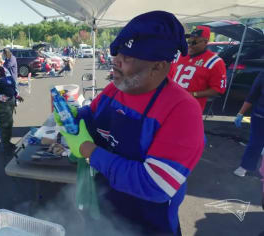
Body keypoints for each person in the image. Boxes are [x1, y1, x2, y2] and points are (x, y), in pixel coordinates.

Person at [57, 11, 204, 235]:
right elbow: (92, 115)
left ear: (159, 66)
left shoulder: (182, 110)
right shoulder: (115, 88)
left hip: (147, 223)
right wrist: (74, 115)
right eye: (116, 55)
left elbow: (154, 184)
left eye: (126, 59)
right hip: (104, 210)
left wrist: (90, 151)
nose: (115, 63)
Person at [168, 25, 227, 112]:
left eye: (194, 42)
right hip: (170, 103)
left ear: (205, 42)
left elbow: (217, 89)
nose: (190, 45)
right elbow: (169, 77)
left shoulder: (214, 62)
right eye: (189, 41)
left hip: (190, 108)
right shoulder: (179, 55)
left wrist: (193, 94)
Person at [233, 72, 264, 177]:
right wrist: (240, 113)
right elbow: (252, 95)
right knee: (256, 143)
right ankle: (245, 166)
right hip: (260, 115)